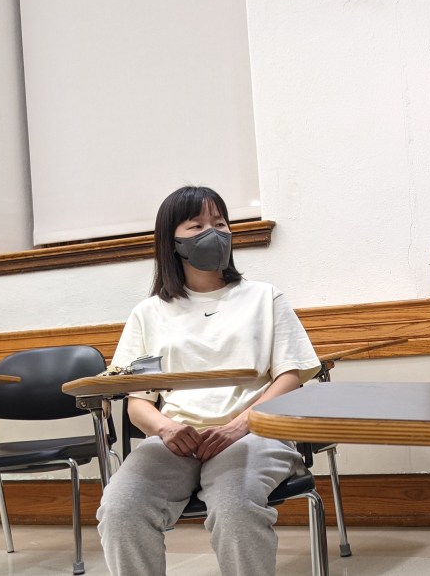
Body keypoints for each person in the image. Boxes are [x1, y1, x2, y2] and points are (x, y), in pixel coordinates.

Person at [96, 186, 321, 575]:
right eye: (197, 225)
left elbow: (290, 377)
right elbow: (138, 402)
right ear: (172, 241)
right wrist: (166, 429)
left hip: (255, 432)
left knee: (235, 507)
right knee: (120, 509)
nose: (213, 233)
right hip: (176, 439)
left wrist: (239, 426)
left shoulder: (264, 298)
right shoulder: (149, 313)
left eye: (219, 223)